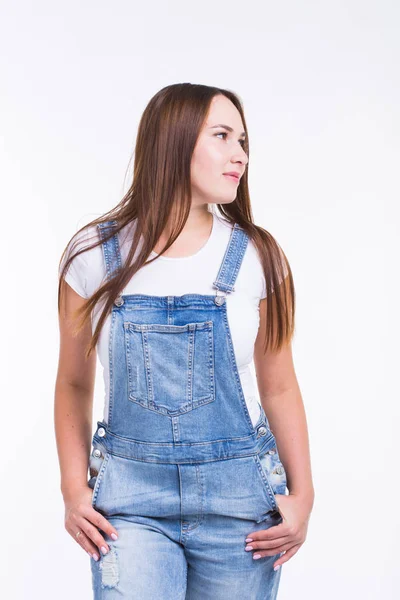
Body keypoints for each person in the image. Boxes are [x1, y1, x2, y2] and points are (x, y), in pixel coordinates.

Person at [55, 83, 314, 599]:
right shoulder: (93, 254)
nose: (240, 154)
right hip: (130, 503)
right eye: (222, 136)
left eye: (243, 140)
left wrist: (304, 495)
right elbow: (73, 383)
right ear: (172, 141)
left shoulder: (259, 257)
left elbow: (280, 385)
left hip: (240, 505)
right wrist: (72, 489)